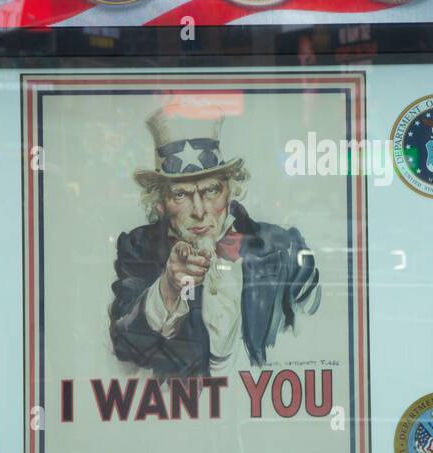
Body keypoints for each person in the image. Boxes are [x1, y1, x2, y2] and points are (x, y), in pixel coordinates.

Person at [109, 108, 320, 379]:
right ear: (160, 203)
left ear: (230, 190)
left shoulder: (283, 247)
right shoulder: (139, 247)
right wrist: (168, 289)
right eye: (181, 194)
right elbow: (126, 348)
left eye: (211, 190)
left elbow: (312, 340)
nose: (199, 210)